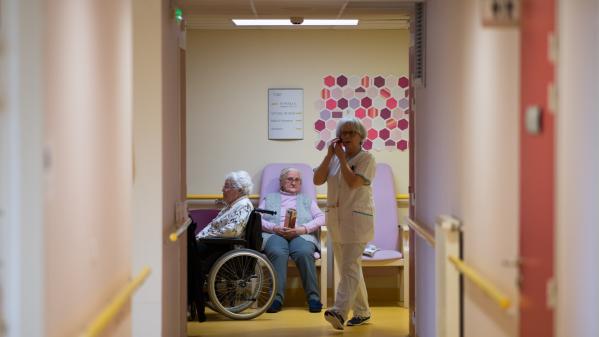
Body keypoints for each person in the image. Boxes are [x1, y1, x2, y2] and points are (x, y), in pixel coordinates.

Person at [314, 117, 376, 330]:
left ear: (361, 137)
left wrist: (341, 159)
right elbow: (317, 179)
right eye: (344, 133)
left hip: (357, 221)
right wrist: (329, 155)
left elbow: (353, 182)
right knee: (349, 267)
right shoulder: (333, 158)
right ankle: (362, 311)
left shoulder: (367, 159)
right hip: (336, 220)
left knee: (349, 267)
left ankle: (339, 312)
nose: (347, 137)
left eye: (351, 133)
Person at [259, 168, 325, 313]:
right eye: (289, 179)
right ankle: (276, 299)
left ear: (300, 183)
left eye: (297, 180)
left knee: (304, 252)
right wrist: (274, 228)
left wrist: (302, 229)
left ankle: (313, 298)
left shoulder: (307, 200)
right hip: (274, 234)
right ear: (281, 182)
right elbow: (257, 219)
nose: (293, 182)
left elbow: (321, 218)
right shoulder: (269, 198)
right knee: (277, 252)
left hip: (300, 235)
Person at [192, 170, 254, 322]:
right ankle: (193, 296)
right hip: (215, 243)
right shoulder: (231, 206)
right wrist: (199, 237)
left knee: (190, 258)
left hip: (224, 247)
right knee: (188, 252)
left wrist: (204, 237)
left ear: (238, 190)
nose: (223, 189)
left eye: (227, 186)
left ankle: (194, 297)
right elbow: (213, 226)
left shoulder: (244, 205)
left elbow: (233, 231)